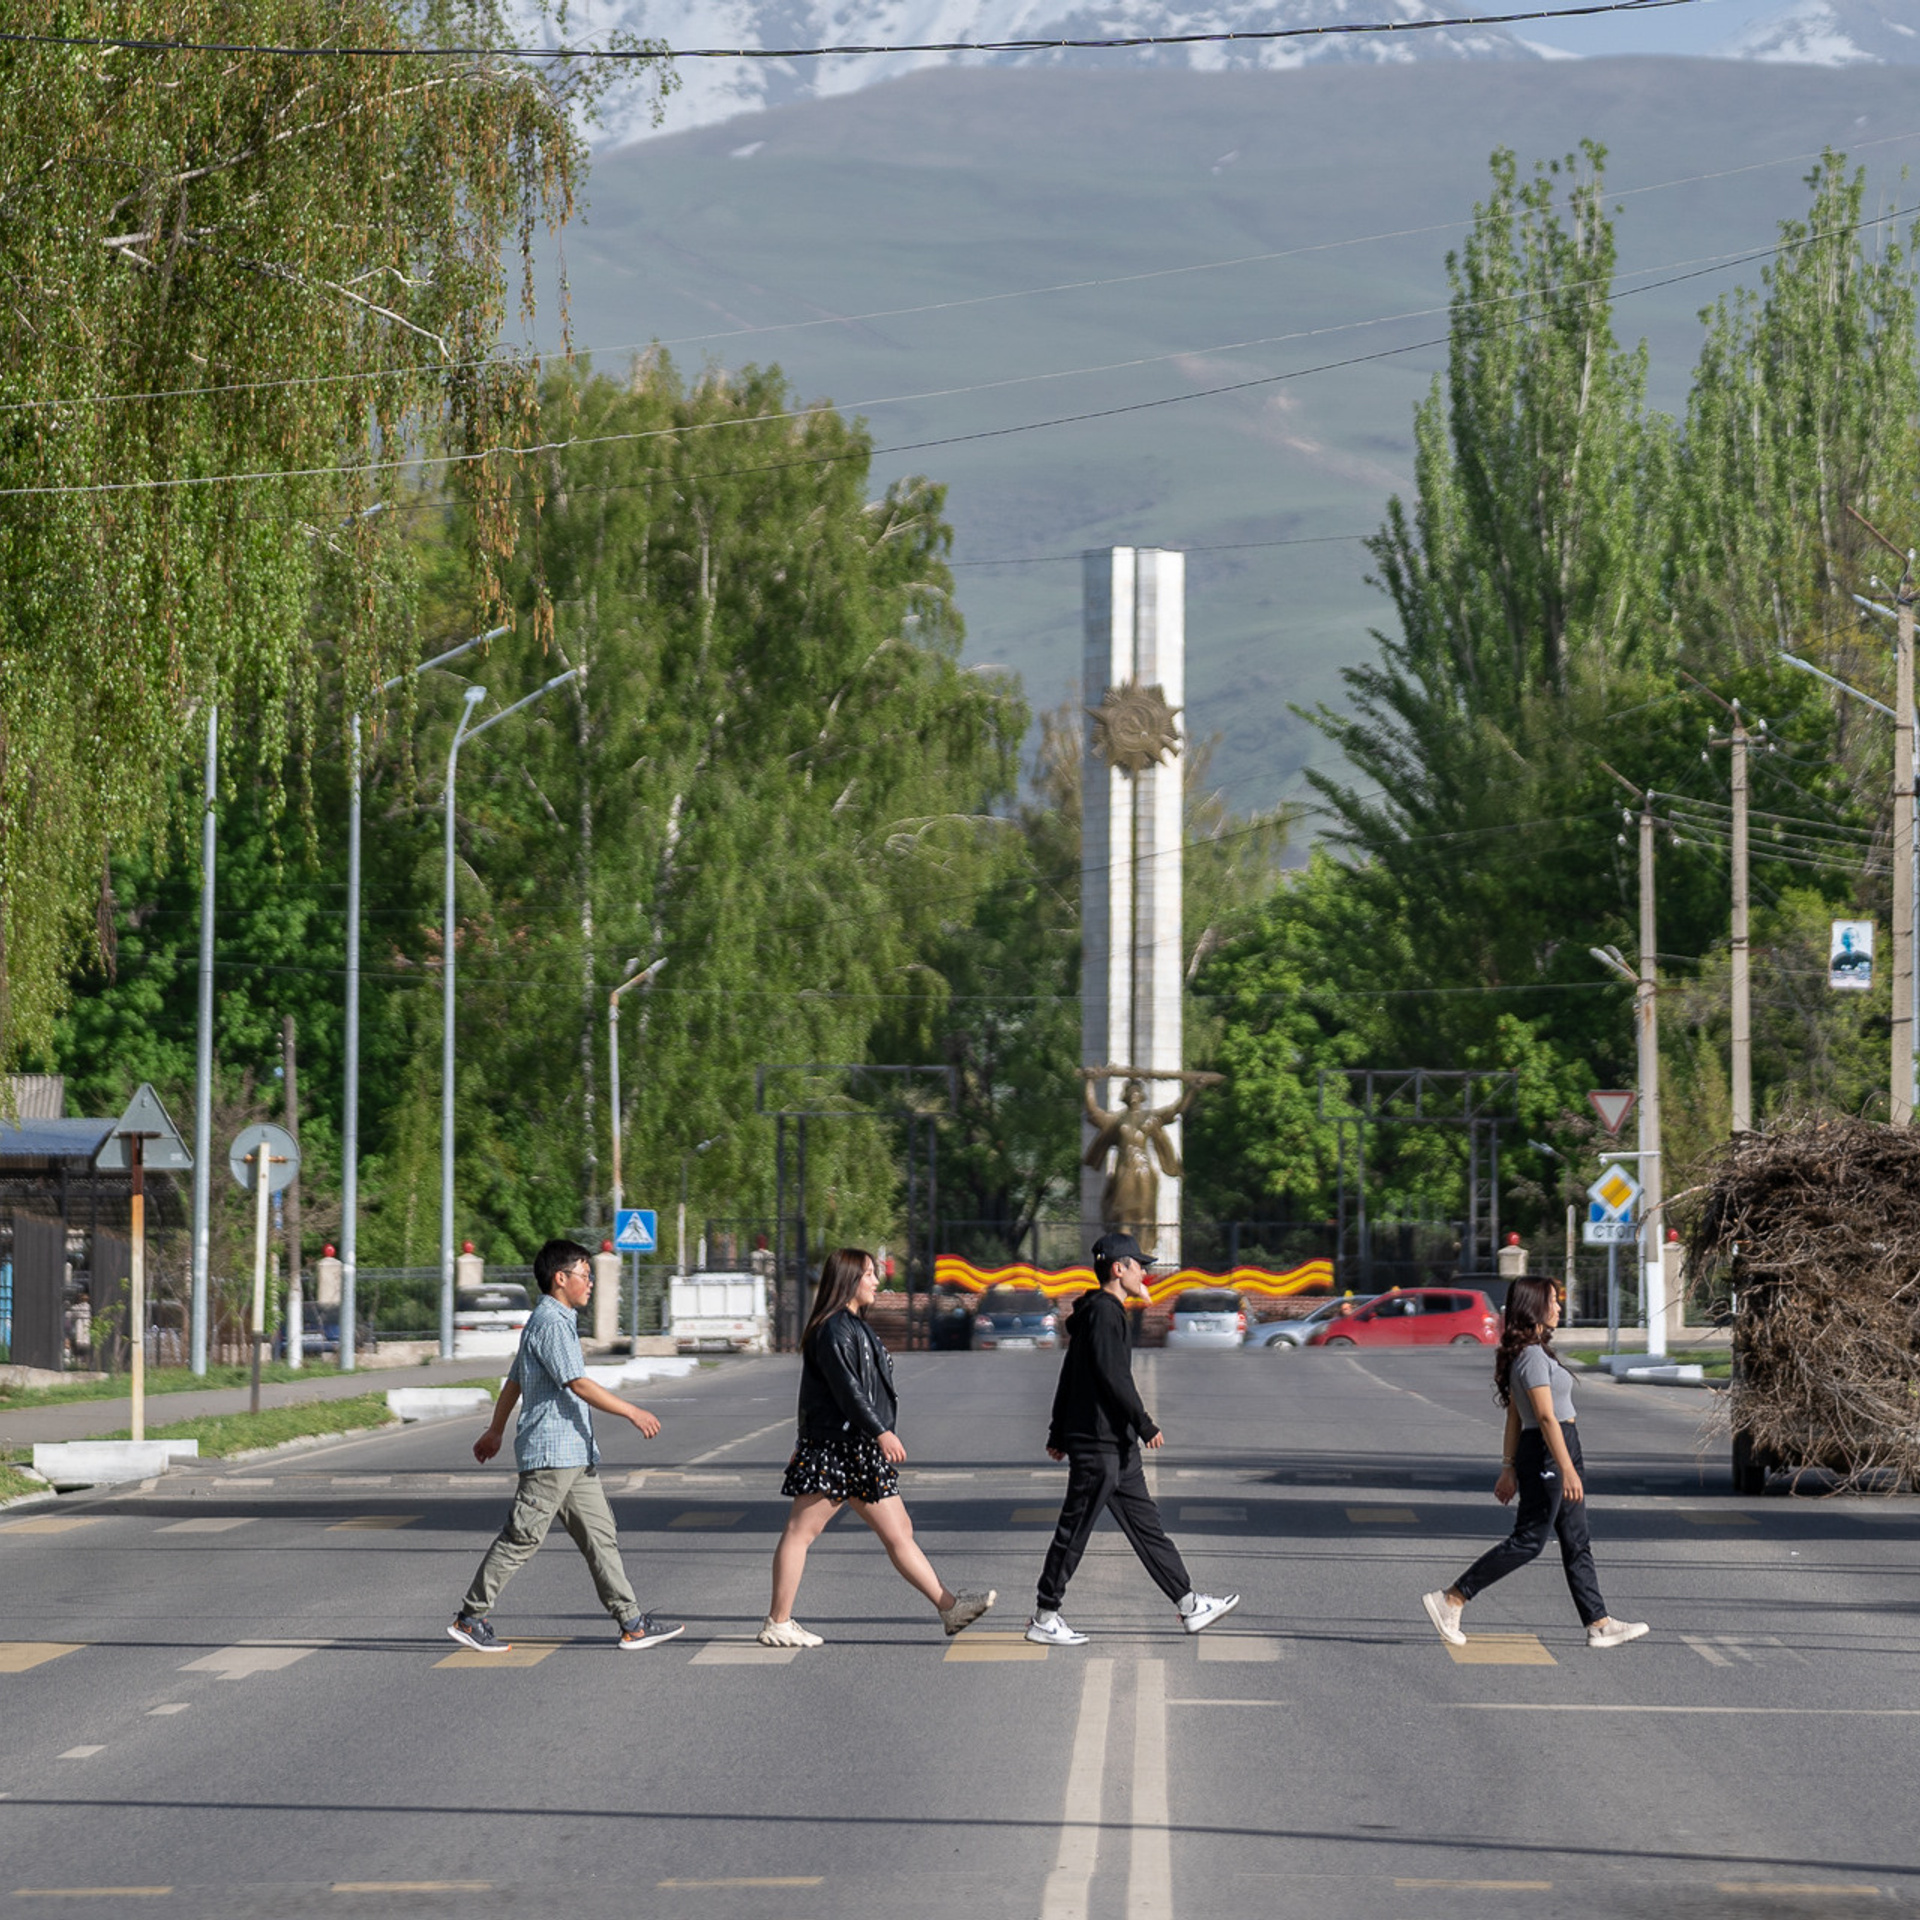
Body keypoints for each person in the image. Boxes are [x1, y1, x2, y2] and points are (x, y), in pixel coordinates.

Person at [448, 1238, 681, 1654]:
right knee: (523, 1536)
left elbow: (515, 1381)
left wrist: (496, 1430)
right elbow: (578, 1383)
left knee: (600, 1536)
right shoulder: (551, 1324)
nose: (590, 1282)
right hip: (552, 1456)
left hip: (574, 1456)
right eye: (584, 1275)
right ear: (561, 1279)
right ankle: (470, 1618)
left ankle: (632, 1623)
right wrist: (632, 1412)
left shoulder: (555, 1320)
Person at [759, 1246, 995, 1649]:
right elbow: (847, 1391)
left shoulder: (853, 1325)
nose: (876, 1280)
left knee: (900, 1531)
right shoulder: (833, 1329)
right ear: (849, 1279)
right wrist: (881, 1431)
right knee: (800, 1532)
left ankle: (950, 1608)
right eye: (869, 1274)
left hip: (857, 1448)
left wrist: (875, 1433)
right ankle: (778, 1621)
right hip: (835, 1448)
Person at [1025, 1232, 1239, 1646]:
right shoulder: (1105, 1313)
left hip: (1115, 1448)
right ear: (1118, 1269)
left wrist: (1057, 1430)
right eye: (1139, 1265)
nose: (1146, 1272)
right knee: (1075, 1530)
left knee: (1148, 1529)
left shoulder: (1101, 1314)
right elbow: (1112, 1377)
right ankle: (1044, 1616)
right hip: (1100, 1444)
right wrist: (1144, 1423)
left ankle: (1190, 1604)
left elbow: (1071, 1374)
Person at [1422, 1276, 1648, 1651]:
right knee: (1529, 1541)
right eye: (1553, 1302)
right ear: (1534, 1308)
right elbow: (1541, 1418)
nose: (1559, 1308)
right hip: (1548, 1449)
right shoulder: (1529, 1357)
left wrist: (1509, 1467)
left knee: (1577, 1540)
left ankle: (1599, 1623)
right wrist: (1565, 1467)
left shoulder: (1536, 1353)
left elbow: (1514, 1414)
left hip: (1558, 1446)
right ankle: (1452, 1598)